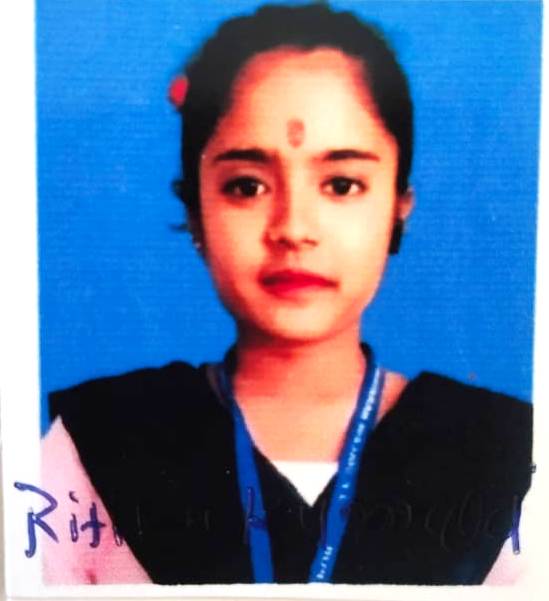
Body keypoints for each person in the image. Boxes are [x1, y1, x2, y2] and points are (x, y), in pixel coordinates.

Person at [41, 2, 532, 586]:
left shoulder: (507, 453)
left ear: (399, 207)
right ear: (195, 212)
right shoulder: (95, 446)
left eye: (342, 184)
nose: (294, 228)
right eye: (247, 186)